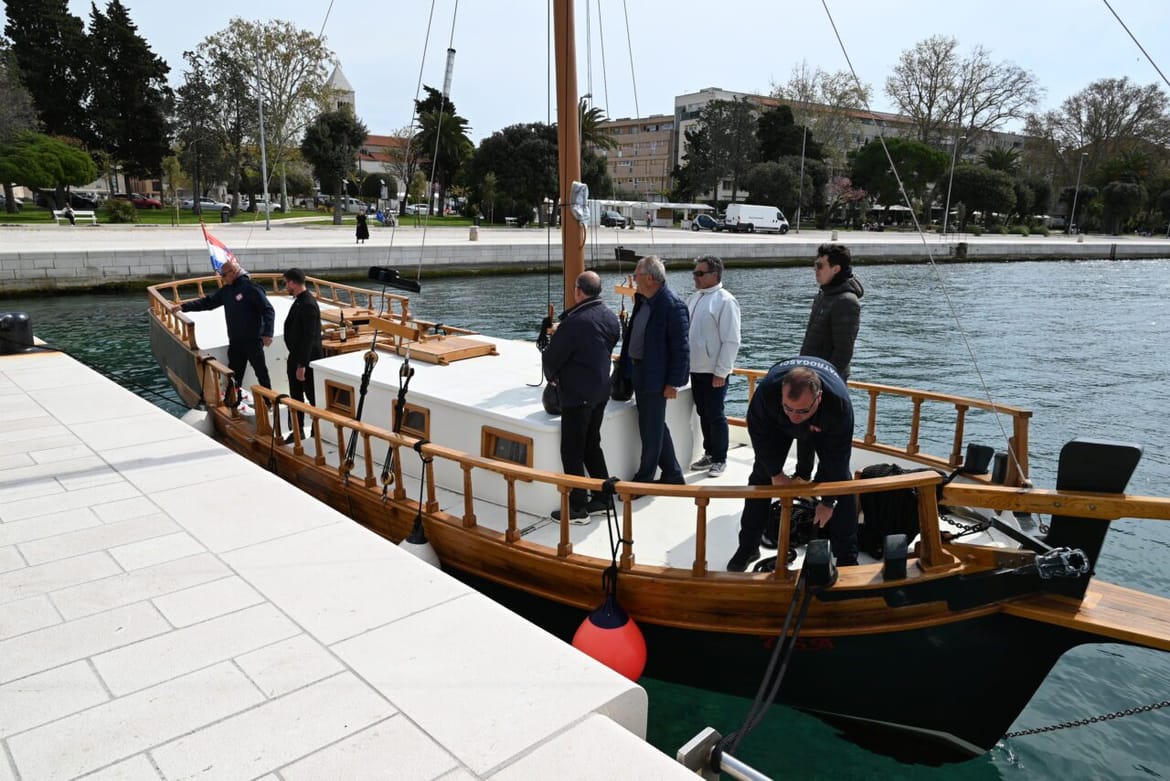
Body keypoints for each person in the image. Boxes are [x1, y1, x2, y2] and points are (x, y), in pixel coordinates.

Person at [727, 356, 858, 572]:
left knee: (842, 482)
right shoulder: (767, 392)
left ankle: (847, 557)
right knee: (761, 477)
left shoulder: (838, 404)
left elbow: (838, 458)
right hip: (776, 424)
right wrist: (775, 473)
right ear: (781, 395)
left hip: (823, 424)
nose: (795, 417)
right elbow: (758, 434)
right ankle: (748, 546)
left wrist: (827, 502)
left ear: (819, 397)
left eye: (802, 411)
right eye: (789, 408)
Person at [542, 271, 621, 522]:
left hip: (577, 395)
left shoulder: (574, 323)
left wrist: (553, 375)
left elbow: (552, 359)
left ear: (578, 291)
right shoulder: (610, 317)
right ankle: (603, 498)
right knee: (591, 445)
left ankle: (577, 508)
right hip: (600, 392)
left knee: (572, 451)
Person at [790, 243, 864, 481]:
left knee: (824, 435)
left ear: (836, 268)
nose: (815, 270)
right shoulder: (824, 295)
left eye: (820, 266)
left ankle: (825, 484)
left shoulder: (846, 301)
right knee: (804, 430)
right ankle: (802, 475)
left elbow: (843, 352)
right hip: (808, 377)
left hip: (826, 383)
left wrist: (821, 383)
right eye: (815, 265)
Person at [620, 255, 690, 487]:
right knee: (655, 424)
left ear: (650, 278)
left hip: (656, 376)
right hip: (640, 371)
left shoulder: (672, 305)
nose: (634, 280)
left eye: (637, 276)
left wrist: (673, 383)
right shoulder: (643, 300)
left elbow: (681, 349)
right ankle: (672, 473)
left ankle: (645, 478)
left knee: (650, 429)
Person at [171, 260, 274, 392]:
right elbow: (208, 302)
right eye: (221, 276)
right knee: (234, 372)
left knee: (261, 372)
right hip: (236, 340)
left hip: (253, 339)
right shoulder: (226, 291)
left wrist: (268, 333)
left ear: (234, 272)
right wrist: (183, 307)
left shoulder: (251, 288)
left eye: (224, 275)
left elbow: (268, 310)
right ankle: (233, 400)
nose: (222, 278)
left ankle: (269, 402)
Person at [686, 255, 741, 478]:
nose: (695, 277)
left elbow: (732, 340)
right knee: (703, 412)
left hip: (713, 371)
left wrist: (721, 371)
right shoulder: (694, 299)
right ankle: (710, 452)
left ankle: (720, 458)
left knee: (715, 414)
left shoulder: (725, 301)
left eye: (699, 273)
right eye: (695, 273)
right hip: (696, 369)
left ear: (714, 275)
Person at [282, 267, 323, 441]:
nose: (285, 286)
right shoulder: (300, 300)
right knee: (296, 395)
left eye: (286, 282)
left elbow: (309, 337)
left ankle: (317, 429)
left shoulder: (308, 304)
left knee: (312, 396)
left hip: (306, 359)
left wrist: (302, 365)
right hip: (296, 356)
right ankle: (298, 430)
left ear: (293, 282)